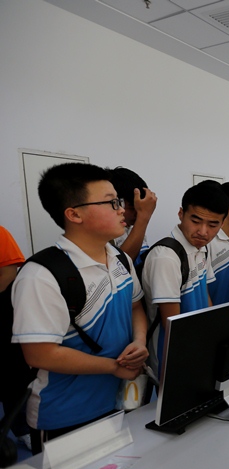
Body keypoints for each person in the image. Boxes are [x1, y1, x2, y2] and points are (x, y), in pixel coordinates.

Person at [11, 163, 148, 454]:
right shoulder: (41, 275)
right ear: (74, 214)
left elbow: (136, 306)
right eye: (112, 203)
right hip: (66, 413)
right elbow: (40, 354)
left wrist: (139, 341)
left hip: (121, 398)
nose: (122, 210)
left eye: (119, 201)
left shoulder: (120, 258)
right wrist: (115, 367)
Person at [142, 180, 227, 372]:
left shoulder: (202, 248)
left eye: (213, 225)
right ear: (181, 214)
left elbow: (204, 295)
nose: (203, 232)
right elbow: (173, 325)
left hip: (198, 348)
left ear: (222, 223)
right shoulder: (166, 257)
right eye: (195, 221)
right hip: (171, 356)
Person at [0, 226, 31, 448]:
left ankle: (23, 429)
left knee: (11, 372)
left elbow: (8, 273)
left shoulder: (0, 233)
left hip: (2, 311)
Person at [107, 167, 157, 264]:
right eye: (132, 207)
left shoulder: (131, 228)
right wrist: (144, 217)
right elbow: (121, 264)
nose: (138, 212)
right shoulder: (105, 234)